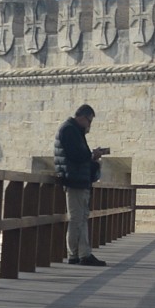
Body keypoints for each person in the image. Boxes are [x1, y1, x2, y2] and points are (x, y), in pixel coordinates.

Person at [54, 104, 110, 266]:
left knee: (81, 218)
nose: (89, 125)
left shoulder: (72, 130)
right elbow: (77, 155)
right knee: (77, 218)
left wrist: (90, 155)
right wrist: (92, 155)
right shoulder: (69, 130)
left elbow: (76, 155)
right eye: (89, 121)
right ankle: (76, 255)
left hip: (78, 179)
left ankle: (82, 254)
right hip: (75, 180)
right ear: (82, 117)